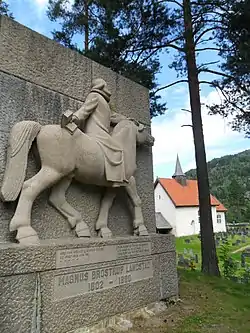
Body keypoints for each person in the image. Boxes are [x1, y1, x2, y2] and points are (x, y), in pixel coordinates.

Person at [72, 78, 129, 187]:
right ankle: (115, 178)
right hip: (96, 133)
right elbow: (84, 110)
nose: (108, 90)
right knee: (117, 149)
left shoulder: (104, 102)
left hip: (102, 133)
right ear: (101, 86)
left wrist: (127, 120)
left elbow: (113, 117)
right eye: (106, 86)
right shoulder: (95, 96)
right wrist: (74, 117)